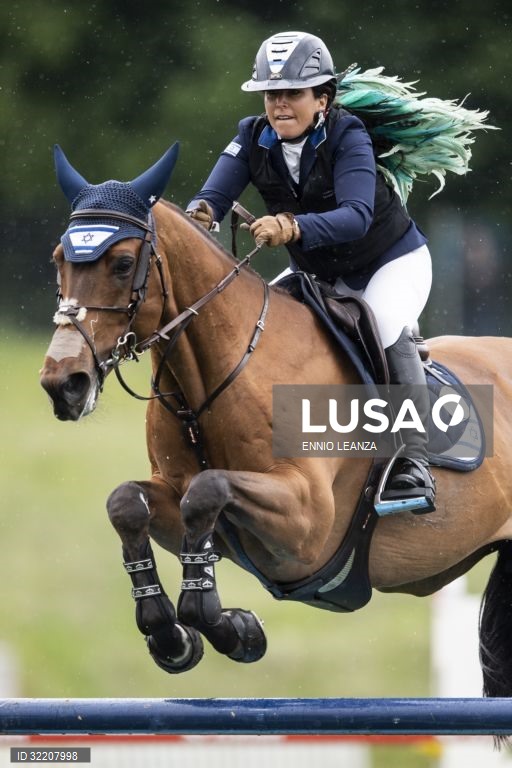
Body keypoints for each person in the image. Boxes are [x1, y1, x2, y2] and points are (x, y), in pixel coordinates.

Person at [186, 30, 435, 512]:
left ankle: (415, 461)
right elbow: (212, 198)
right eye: (271, 94)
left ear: (323, 98)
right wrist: (198, 214)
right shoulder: (250, 135)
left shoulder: (348, 134)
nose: (279, 105)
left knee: (383, 325)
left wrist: (290, 226)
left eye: (293, 94)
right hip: (322, 275)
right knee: (262, 327)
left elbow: (357, 215)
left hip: (390, 263)